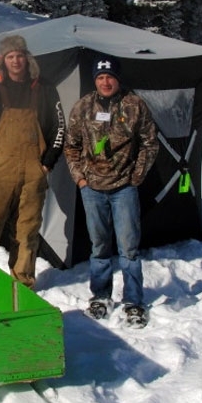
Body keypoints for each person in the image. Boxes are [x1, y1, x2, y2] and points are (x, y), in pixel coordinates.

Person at [64, 55, 159, 326]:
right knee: (99, 246)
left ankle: (133, 302)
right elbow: (71, 146)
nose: (106, 82)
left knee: (128, 249)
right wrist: (80, 179)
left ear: (118, 79)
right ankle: (101, 297)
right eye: (100, 77)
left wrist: (136, 177)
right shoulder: (83, 106)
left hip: (124, 189)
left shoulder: (134, 105)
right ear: (96, 80)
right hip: (92, 188)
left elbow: (150, 144)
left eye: (110, 77)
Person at [0, 34, 65, 289]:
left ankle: (22, 283)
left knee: (27, 229)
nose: (16, 61)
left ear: (27, 58)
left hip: (34, 169)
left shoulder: (44, 88)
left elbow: (59, 127)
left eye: (19, 55)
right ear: (3, 61)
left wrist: (47, 163)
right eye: (10, 56)